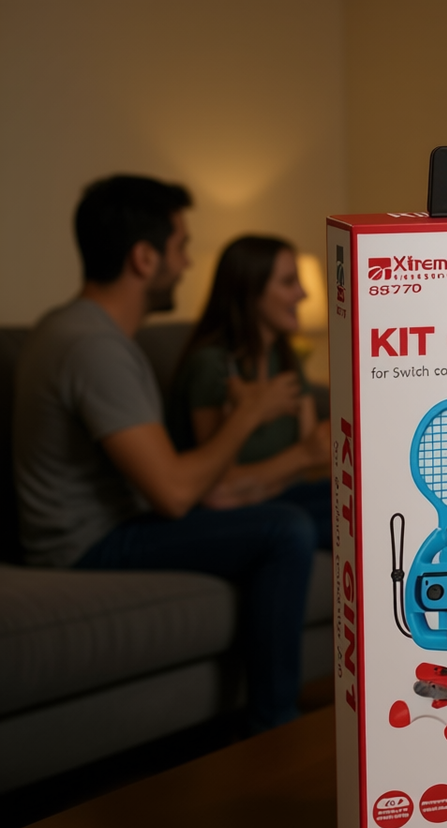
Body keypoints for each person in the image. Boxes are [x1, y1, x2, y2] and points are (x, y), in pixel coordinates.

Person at [13, 175, 322, 733]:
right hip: (90, 543)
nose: (185, 263)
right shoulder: (92, 347)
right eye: (181, 247)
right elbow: (175, 494)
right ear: (144, 257)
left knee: (330, 505)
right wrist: (249, 414)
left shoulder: (87, 332)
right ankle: (273, 724)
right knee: (286, 530)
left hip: (125, 520)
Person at [169, 236, 331, 550]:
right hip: (224, 516)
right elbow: (218, 488)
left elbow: (313, 463)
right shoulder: (212, 368)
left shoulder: (286, 359)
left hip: (281, 496)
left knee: (366, 502)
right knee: (302, 525)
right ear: (250, 292)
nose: (303, 293)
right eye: (288, 282)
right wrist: (302, 456)